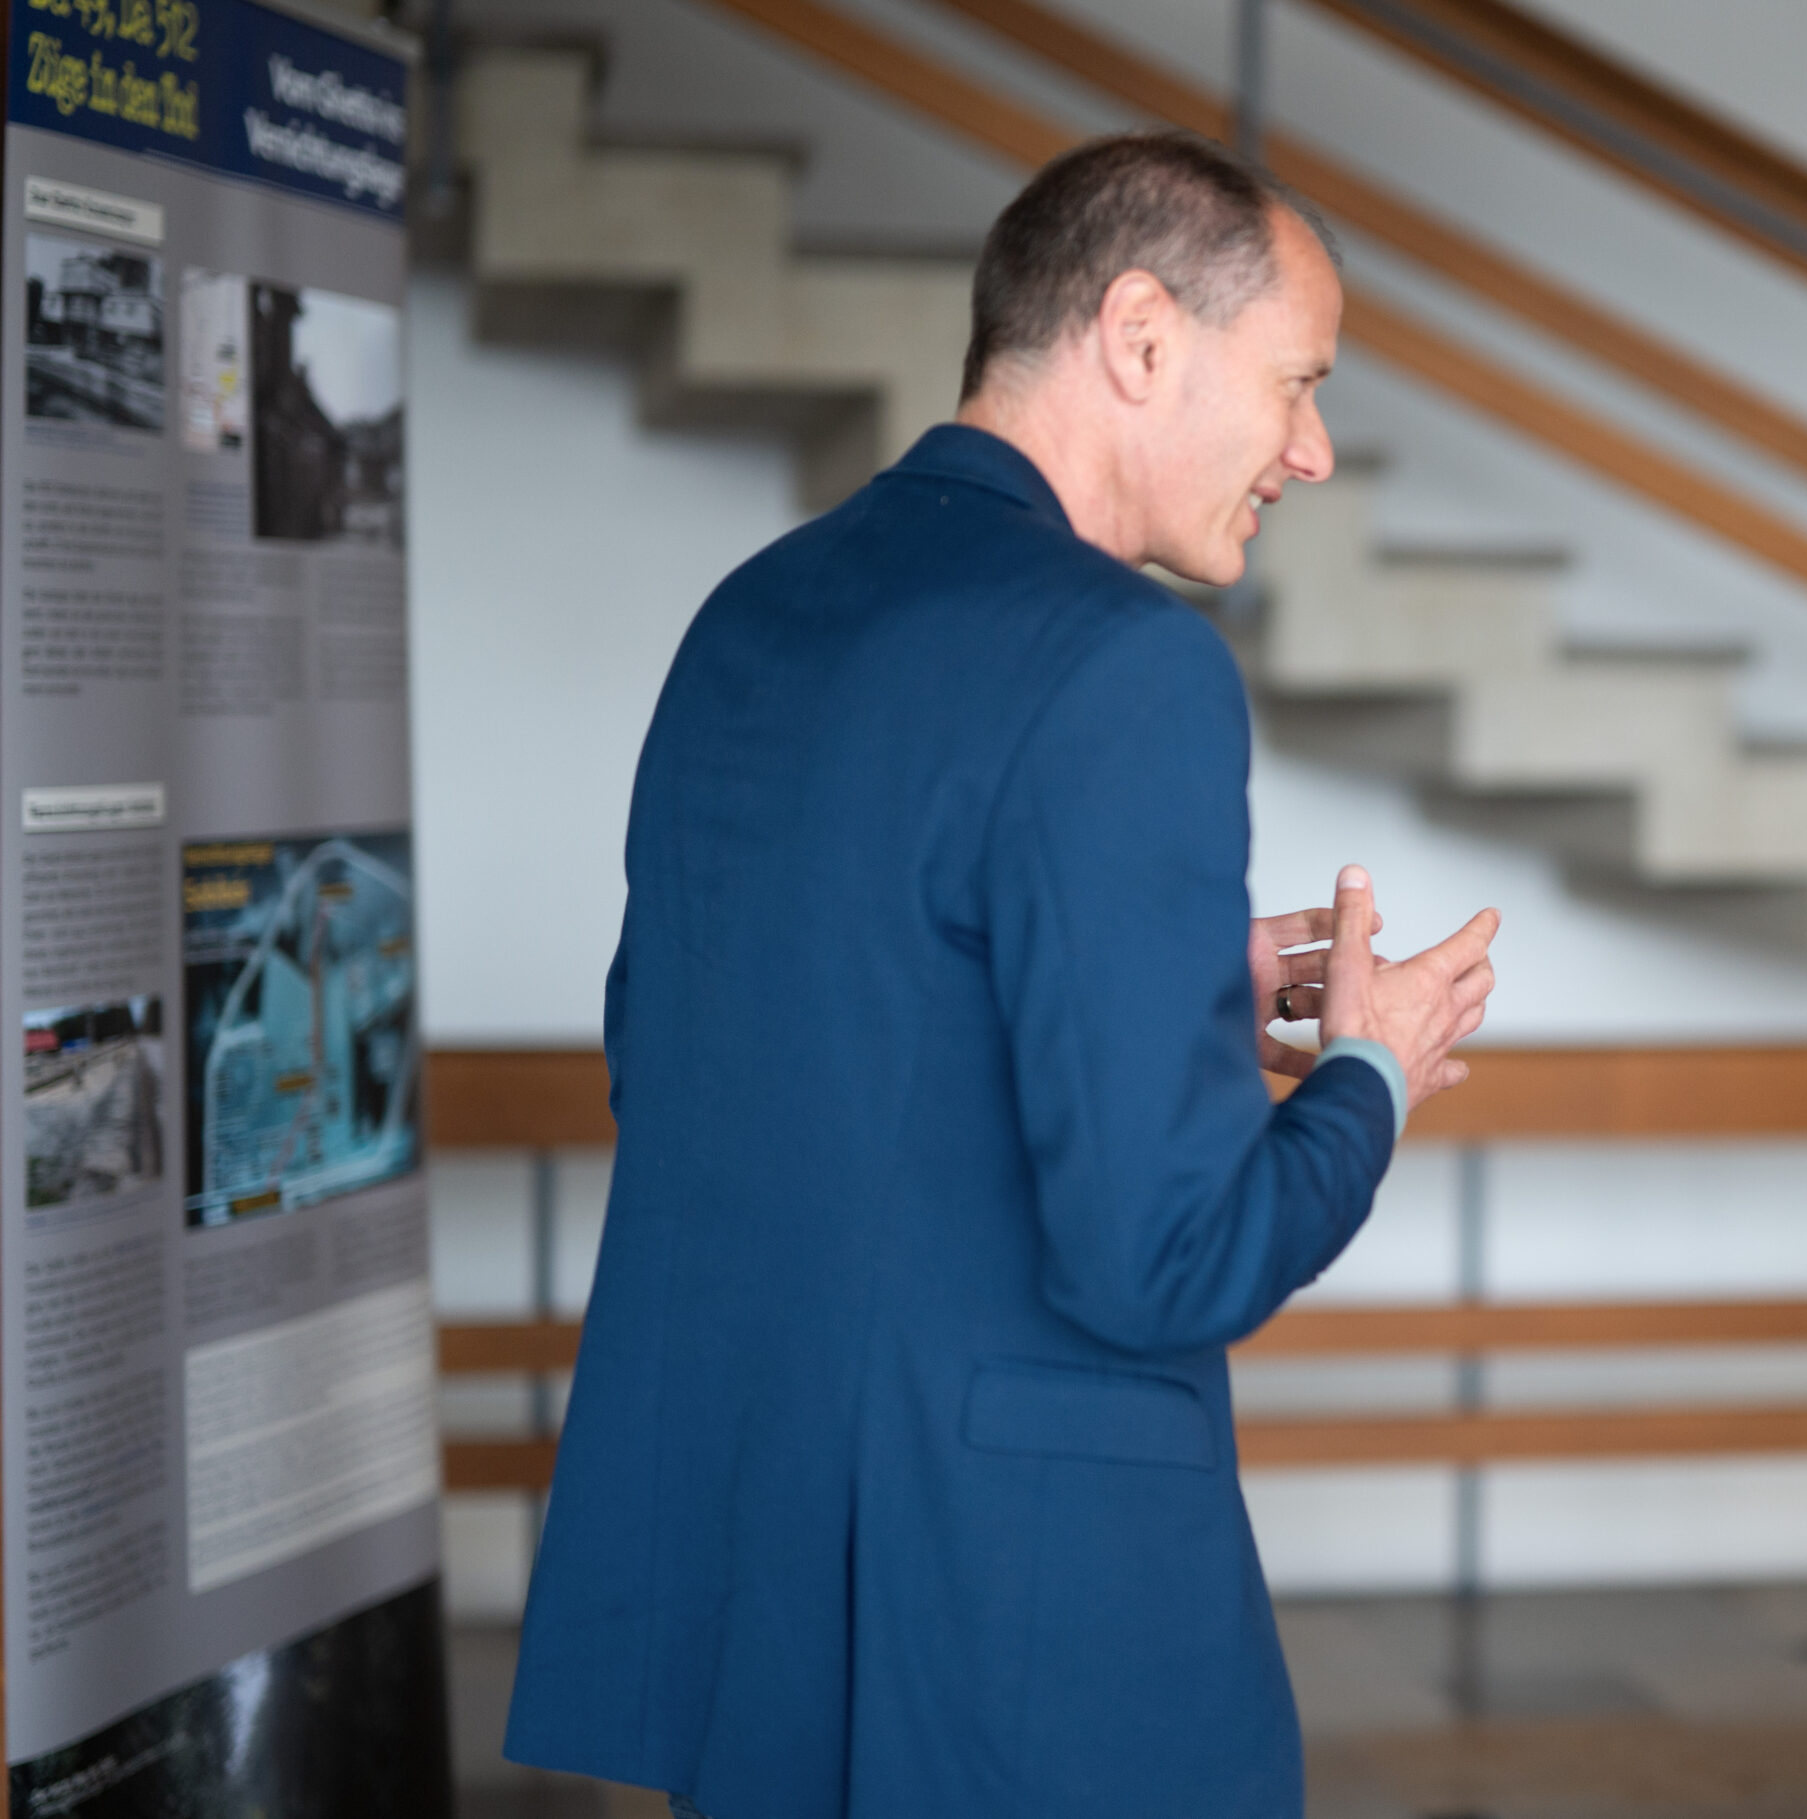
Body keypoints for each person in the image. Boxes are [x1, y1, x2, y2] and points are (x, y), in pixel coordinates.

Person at [502, 131, 1500, 1819]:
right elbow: (1165, 1264)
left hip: (757, 1576)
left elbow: (698, 1046)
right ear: (1140, 336)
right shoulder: (1128, 668)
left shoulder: (756, 611)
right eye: (1299, 383)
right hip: (1012, 1633)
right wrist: (1369, 1074)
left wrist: (1169, 977)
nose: (1314, 451)